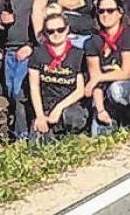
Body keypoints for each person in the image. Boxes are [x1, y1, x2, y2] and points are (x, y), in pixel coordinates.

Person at [27, 11, 90, 141]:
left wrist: (58, 109)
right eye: (51, 31)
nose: (56, 34)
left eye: (60, 30)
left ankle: (70, 137)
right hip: (45, 105)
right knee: (37, 142)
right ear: (45, 33)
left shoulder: (78, 54)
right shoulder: (38, 54)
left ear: (67, 29)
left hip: (70, 104)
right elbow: (34, 87)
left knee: (74, 118)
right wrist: (39, 116)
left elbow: (80, 90)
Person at [84, 0, 130, 134]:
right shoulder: (93, 41)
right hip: (103, 90)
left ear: (120, 12)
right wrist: (100, 109)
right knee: (98, 137)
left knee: (116, 91)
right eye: (101, 11)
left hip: (126, 85)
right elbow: (94, 77)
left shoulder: (129, 35)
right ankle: (110, 117)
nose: (105, 15)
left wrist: (97, 78)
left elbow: (127, 72)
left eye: (110, 10)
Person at [5, 0, 44, 138]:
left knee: (22, 93)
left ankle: (25, 135)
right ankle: (18, 131)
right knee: (12, 92)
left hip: (29, 49)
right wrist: (2, 22)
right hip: (10, 48)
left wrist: (32, 45)